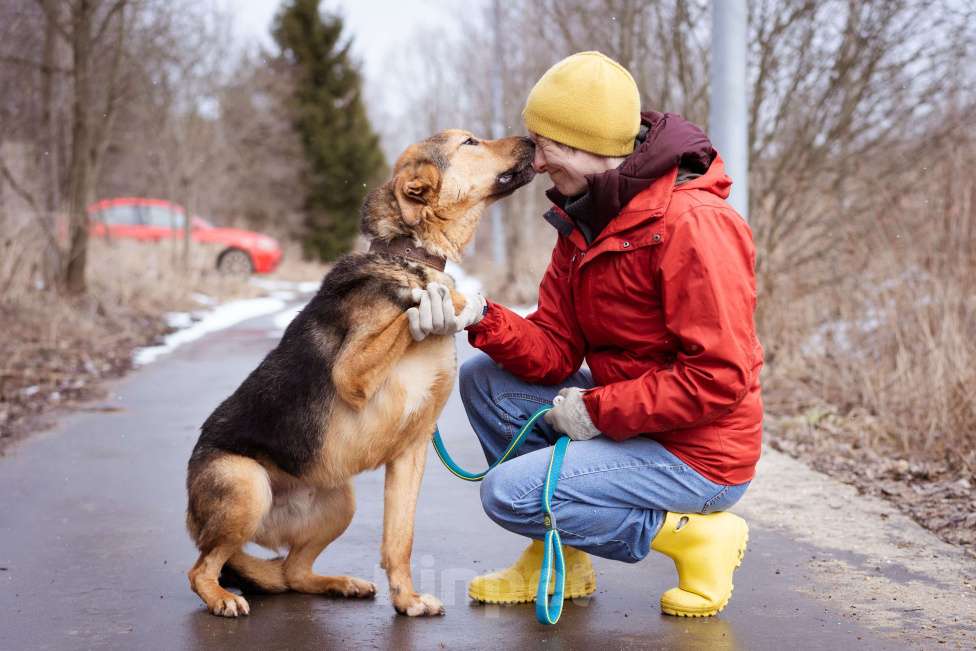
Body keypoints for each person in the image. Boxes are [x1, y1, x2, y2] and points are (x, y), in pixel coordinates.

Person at [407, 51, 763, 618]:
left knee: (510, 494)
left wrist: (600, 411)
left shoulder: (695, 225)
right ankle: (563, 559)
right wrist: (478, 316)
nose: (539, 164)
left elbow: (720, 378)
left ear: (584, 145)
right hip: (635, 423)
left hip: (697, 456)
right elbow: (553, 350)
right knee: (486, 380)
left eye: (544, 146)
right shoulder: (587, 218)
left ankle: (695, 535)